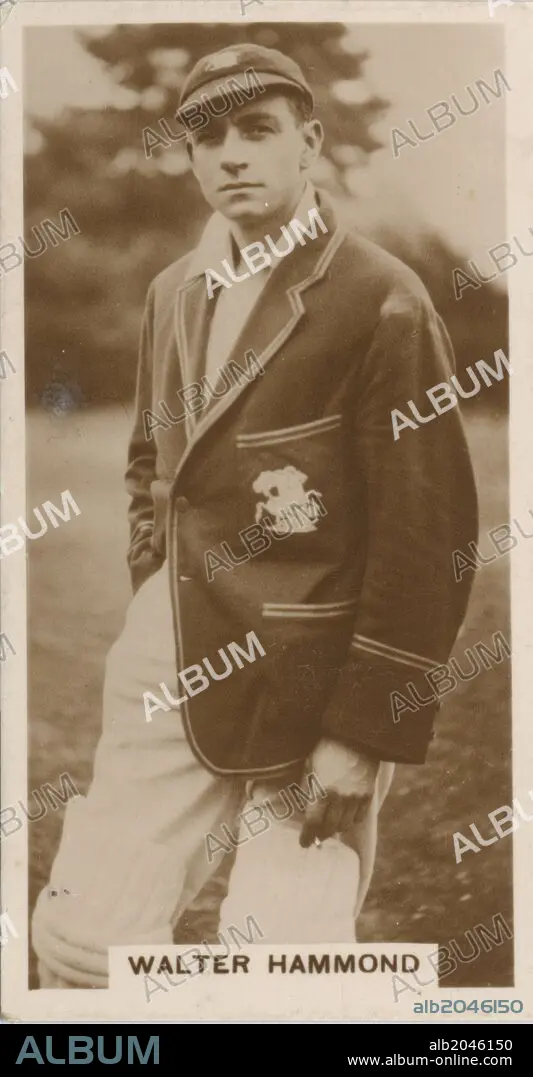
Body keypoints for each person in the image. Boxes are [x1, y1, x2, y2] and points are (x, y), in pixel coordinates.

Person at [32, 44, 478, 988]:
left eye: (257, 130)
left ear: (308, 143)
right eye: (208, 137)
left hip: (311, 675)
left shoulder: (381, 296)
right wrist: (155, 585)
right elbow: (153, 464)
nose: (231, 154)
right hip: (169, 653)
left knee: (286, 959)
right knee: (83, 942)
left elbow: (427, 530)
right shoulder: (172, 292)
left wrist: (363, 729)